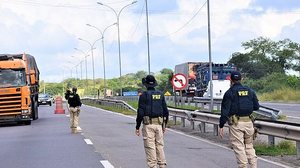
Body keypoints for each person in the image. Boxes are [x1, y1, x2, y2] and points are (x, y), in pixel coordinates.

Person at [219, 71, 259, 168]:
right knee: (249, 146)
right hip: (249, 123)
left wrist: (221, 125)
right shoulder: (250, 91)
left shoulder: (229, 93)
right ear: (241, 79)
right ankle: (254, 166)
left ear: (230, 80)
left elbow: (225, 111)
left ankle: (243, 166)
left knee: (239, 146)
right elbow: (256, 107)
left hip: (236, 124)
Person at [135, 75, 169, 168]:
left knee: (150, 147)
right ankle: (162, 165)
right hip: (159, 125)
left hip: (148, 125)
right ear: (154, 84)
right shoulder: (160, 94)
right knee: (160, 146)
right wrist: (164, 125)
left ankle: (153, 166)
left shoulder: (143, 96)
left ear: (145, 84)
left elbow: (140, 113)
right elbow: (165, 111)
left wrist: (137, 127)